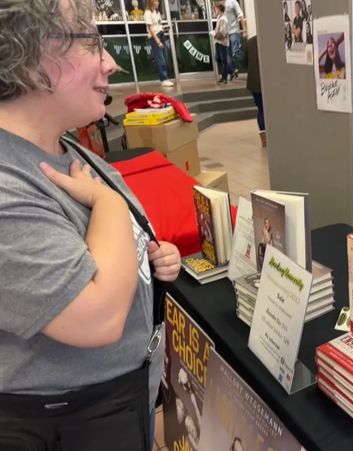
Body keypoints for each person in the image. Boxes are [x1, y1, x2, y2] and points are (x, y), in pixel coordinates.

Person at [0, 1, 181, 449]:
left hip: (114, 405)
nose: (112, 63)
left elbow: (117, 256)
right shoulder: (8, 184)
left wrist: (153, 261)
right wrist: (110, 205)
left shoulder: (67, 152)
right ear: (30, 60)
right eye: (92, 44)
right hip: (67, 421)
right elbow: (97, 318)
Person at [145, 0, 174, 87]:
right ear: (151, 2)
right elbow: (150, 29)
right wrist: (157, 40)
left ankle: (165, 78)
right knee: (160, 58)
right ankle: (163, 79)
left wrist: (164, 28)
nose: (157, 3)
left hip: (161, 34)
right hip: (155, 37)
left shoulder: (157, 12)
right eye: (155, 1)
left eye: (158, 1)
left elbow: (158, 25)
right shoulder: (148, 13)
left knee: (165, 57)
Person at [244, 35, 266, 147]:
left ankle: (264, 138)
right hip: (267, 83)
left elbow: (244, 62)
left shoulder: (250, 42)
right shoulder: (269, 41)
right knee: (267, 110)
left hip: (254, 82)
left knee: (261, 110)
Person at [221, 0, 247, 78]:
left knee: (235, 51)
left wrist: (244, 30)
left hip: (234, 31)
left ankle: (248, 60)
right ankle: (233, 70)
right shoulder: (221, 4)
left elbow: (241, 15)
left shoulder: (233, 2)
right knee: (228, 54)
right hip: (225, 33)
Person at [213, 2, 232, 84]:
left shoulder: (224, 19)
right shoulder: (219, 17)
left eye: (216, 9)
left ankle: (225, 77)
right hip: (218, 42)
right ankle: (230, 70)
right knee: (217, 58)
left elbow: (222, 33)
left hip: (223, 43)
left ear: (219, 9)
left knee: (224, 60)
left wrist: (215, 34)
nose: (215, 10)